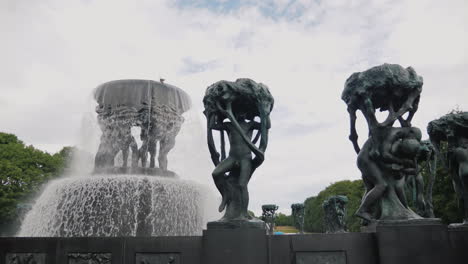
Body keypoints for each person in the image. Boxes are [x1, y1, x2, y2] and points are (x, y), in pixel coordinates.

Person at [210, 102, 261, 218]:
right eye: (238, 112)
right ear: (235, 113)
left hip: (245, 158)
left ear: (246, 114)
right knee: (216, 173)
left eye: (243, 112)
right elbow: (213, 126)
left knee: (242, 185)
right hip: (232, 157)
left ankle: (243, 212)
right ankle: (225, 195)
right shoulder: (230, 125)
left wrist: (263, 112)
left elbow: (266, 125)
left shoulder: (250, 124)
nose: (241, 114)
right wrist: (213, 112)